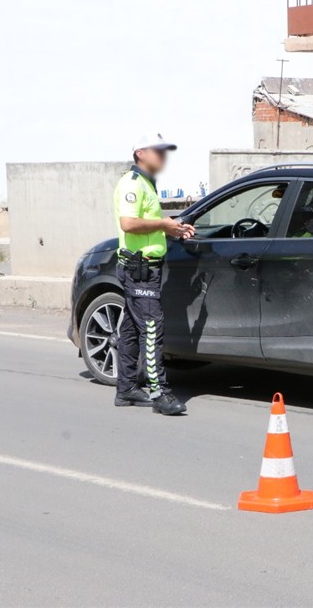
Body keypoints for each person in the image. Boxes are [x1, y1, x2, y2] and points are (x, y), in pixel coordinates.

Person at [113, 133, 194, 415]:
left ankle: (125, 390)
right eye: (157, 151)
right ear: (140, 153)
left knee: (132, 330)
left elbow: (150, 224)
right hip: (140, 268)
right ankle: (160, 394)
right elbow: (129, 223)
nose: (162, 156)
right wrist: (163, 223)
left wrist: (175, 228)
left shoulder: (148, 183)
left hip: (146, 268)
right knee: (151, 328)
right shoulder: (132, 184)